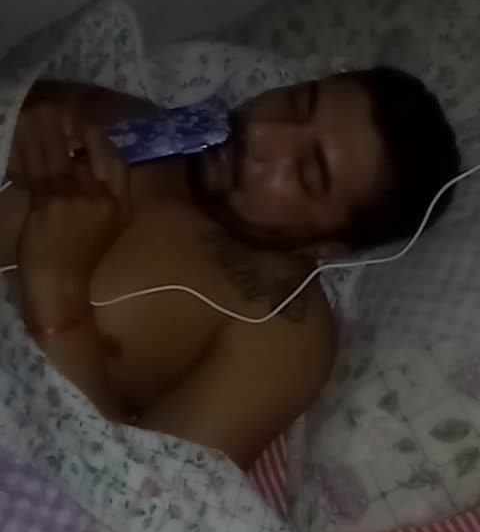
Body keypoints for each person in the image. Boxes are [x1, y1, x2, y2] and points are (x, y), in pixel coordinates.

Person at [0, 67, 460, 469]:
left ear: (325, 246)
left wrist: (57, 287)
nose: (261, 133)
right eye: (294, 103)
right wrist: (21, 124)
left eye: (306, 171)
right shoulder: (128, 118)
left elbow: (147, 500)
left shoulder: (280, 327)